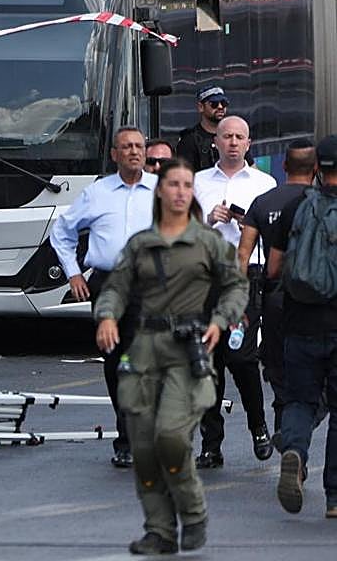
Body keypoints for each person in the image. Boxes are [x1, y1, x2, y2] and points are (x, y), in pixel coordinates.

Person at [96, 158, 248, 555]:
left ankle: (193, 511)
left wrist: (220, 320)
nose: (180, 191)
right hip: (145, 348)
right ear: (160, 190)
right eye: (173, 184)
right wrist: (107, 316)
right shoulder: (140, 244)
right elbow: (116, 287)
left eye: (186, 185)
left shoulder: (207, 243)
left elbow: (235, 286)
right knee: (143, 448)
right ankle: (159, 530)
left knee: (171, 437)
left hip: (189, 348)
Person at [51, 126, 156, 469]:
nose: (134, 152)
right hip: (109, 283)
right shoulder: (96, 193)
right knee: (116, 362)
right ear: (114, 154)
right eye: (126, 147)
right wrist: (73, 271)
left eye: (139, 146)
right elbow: (62, 232)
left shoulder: (160, 192)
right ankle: (126, 438)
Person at [193, 115, 276, 467]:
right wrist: (208, 219)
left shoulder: (264, 182)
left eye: (238, 137)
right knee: (207, 361)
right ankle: (211, 444)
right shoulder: (198, 181)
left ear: (248, 143)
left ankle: (258, 425)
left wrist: (249, 225)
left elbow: (276, 232)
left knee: (241, 357)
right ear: (216, 141)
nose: (231, 142)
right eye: (226, 136)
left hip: (245, 278)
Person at [268, 134, 337, 518]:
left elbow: (275, 268)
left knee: (299, 399)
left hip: (300, 323)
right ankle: (334, 499)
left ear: (315, 170)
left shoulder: (296, 208)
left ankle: (294, 448)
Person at [237, 139, 317, 445]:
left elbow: (243, 255)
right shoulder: (321, 201)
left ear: (284, 166)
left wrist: (237, 299)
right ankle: (297, 431)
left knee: (277, 365)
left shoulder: (263, 202)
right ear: (314, 169)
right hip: (316, 299)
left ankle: (284, 419)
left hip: (274, 297)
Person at [176, 85, 229, 171]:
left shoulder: (234, 136)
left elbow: (251, 167)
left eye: (223, 103)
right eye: (214, 104)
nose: (220, 107)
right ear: (201, 107)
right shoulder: (189, 140)